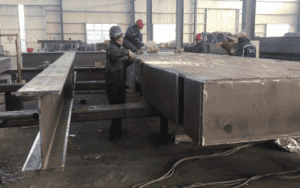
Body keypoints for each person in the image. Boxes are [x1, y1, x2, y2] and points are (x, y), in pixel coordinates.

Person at [105, 25, 144, 140]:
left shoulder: (120, 50)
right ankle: (114, 135)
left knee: (120, 108)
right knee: (115, 110)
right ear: (117, 38)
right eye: (122, 37)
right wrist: (128, 52)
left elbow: (124, 64)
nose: (123, 39)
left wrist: (132, 60)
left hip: (120, 84)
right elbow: (115, 53)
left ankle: (118, 131)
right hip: (113, 85)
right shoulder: (111, 48)